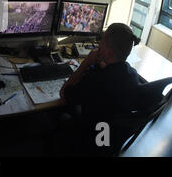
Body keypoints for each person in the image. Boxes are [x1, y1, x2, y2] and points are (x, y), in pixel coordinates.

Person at [56, 23, 142, 156]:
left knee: (59, 114)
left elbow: (64, 93)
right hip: (109, 139)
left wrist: (86, 63)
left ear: (109, 51)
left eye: (101, 41)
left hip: (91, 138)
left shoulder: (95, 79)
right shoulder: (132, 75)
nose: (99, 43)